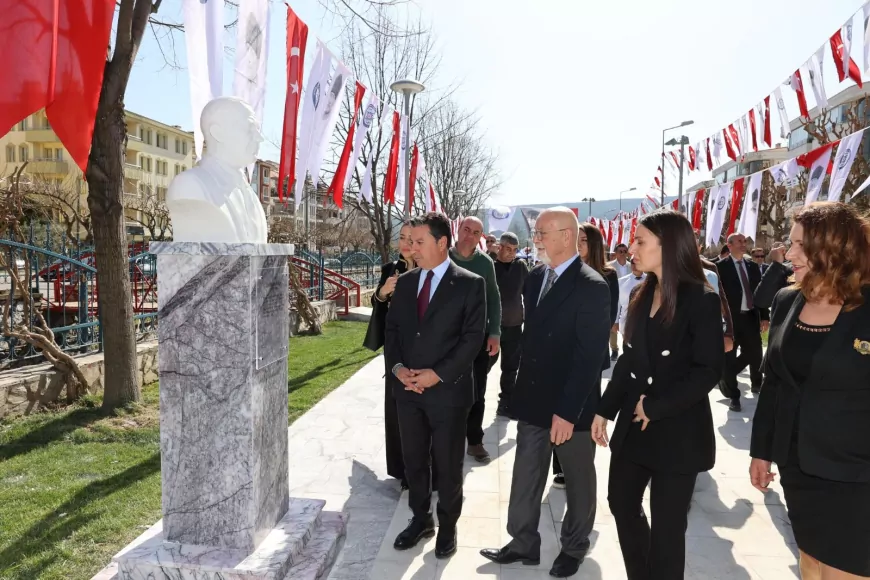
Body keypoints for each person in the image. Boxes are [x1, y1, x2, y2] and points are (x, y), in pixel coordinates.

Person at [592, 210, 725, 580]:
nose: (632, 248)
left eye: (640, 241)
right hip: (634, 428)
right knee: (621, 503)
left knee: (668, 529)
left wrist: (656, 405)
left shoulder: (701, 299)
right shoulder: (639, 291)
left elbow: (708, 370)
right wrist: (604, 410)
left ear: (667, 246)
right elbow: (629, 361)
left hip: (677, 430)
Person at [480, 207, 610, 578]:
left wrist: (568, 412)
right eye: (535, 234)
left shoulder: (592, 286)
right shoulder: (536, 277)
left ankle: (573, 547)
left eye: (541, 233)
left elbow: (589, 358)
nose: (534, 239)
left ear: (566, 236)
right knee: (525, 474)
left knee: (578, 480)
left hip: (573, 403)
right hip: (534, 398)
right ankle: (523, 542)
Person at [750, 202, 870, 579]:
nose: (789, 253)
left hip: (857, 476)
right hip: (798, 468)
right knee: (812, 566)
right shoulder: (787, 300)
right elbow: (774, 383)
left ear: (833, 248)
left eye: (800, 244)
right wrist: (761, 451)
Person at [385, 212, 486, 559]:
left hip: (448, 393)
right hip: (407, 392)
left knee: (447, 464)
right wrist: (398, 369)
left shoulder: (471, 284)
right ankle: (420, 519)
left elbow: (472, 340)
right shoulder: (407, 282)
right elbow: (394, 331)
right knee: (414, 462)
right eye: (410, 242)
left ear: (442, 243)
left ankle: (447, 526)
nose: (411, 249)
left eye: (418, 242)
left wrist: (435, 374)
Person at [551, 223, 619, 489]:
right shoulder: (561, 272)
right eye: (574, 240)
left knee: (584, 409)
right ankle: (560, 467)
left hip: (589, 355)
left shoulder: (607, 276)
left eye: (582, 240)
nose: (577, 245)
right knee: (558, 408)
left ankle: (580, 465)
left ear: (595, 244)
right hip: (559, 355)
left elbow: (608, 316)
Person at [363, 222, 415, 489]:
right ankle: (402, 469)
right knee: (395, 409)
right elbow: (378, 304)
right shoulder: (390, 270)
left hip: (425, 349)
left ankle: (422, 467)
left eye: (411, 238)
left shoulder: (431, 268)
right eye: (401, 237)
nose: (405, 243)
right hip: (395, 349)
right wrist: (383, 293)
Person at [450, 217, 502, 463]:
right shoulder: (443, 256)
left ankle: (474, 440)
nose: (469, 235)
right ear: (458, 230)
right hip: (446, 338)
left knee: (477, 389)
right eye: (466, 229)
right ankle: (446, 437)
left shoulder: (484, 263)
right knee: (445, 388)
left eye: (476, 232)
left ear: (481, 236)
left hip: (478, 337)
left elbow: (494, 297)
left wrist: (495, 332)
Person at [716, 232, 767, 411]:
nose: (743, 244)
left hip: (750, 318)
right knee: (729, 356)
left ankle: (727, 375)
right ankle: (734, 396)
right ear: (729, 245)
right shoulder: (719, 268)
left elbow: (760, 294)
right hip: (730, 320)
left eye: (744, 241)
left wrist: (765, 316)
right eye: (739, 241)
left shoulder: (752, 267)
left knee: (754, 353)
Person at [490, 232, 528, 419]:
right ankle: (472, 403)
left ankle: (505, 403)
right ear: (499, 247)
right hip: (492, 328)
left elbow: (528, 293)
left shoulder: (521, 267)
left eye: (515, 250)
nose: (512, 253)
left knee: (511, 368)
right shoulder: (490, 266)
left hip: (514, 326)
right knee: (484, 365)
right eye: (508, 249)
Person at [608, 243, 632, 359]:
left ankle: (627, 347)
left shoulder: (632, 266)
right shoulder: (609, 267)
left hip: (628, 300)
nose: (623, 254)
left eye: (624, 251)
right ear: (616, 253)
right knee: (613, 324)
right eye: (620, 251)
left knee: (627, 324)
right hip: (613, 299)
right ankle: (614, 349)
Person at [753, 242, 792, 309]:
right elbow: (761, 300)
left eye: (762, 256)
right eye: (791, 244)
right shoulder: (781, 269)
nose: (788, 254)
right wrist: (776, 264)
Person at [617, 258, 646, 335]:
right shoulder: (621, 281)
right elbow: (617, 303)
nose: (635, 264)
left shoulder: (651, 280)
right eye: (633, 262)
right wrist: (615, 321)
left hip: (646, 323)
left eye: (638, 261)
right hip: (626, 323)